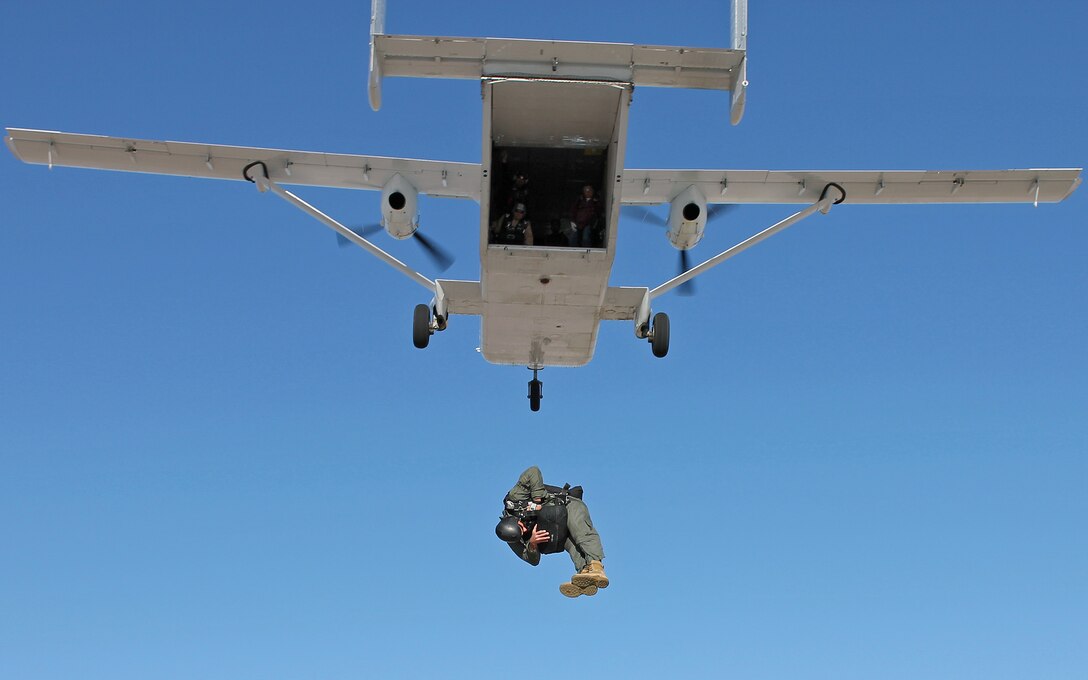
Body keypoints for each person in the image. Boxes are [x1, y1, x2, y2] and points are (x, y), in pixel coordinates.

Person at [495, 466, 608, 598]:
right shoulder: (512, 538)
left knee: (580, 532)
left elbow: (533, 471)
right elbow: (532, 561)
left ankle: (596, 566)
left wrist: (537, 499)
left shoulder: (515, 497)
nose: (525, 530)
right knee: (572, 545)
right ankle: (585, 576)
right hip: (554, 529)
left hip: (566, 507)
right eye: (522, 532)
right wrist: (532, 543)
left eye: (521, 526)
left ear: (513, 519)